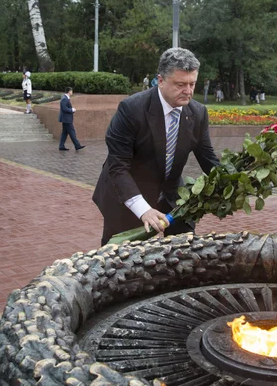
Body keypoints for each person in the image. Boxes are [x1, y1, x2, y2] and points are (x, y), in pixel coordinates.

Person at [92, 48, 220, 245]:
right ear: (160, 81)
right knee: (118, 260)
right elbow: (118, 166)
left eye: (192, 84)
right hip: (127, 195)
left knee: (185, 248)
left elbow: (208, 158)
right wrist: (143, 209)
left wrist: (236, 180)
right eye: (180, 84)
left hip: (171, 195)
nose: (188, 91)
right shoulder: (131, 109)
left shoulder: (198, 113)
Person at [58, 87, 85, 151]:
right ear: (69, 91)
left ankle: (61, 146)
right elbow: (64, 108)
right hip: (66, 119)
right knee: (72, 132)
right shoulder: (64, 99)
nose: (72, 92)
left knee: (64, 133)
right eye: (71, 91)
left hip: (65, 119)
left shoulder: (65, 98)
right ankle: (77, 145)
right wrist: (72, 110)